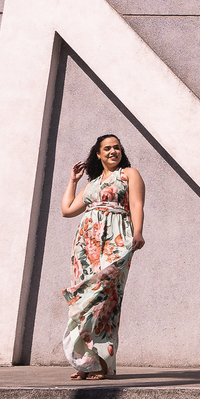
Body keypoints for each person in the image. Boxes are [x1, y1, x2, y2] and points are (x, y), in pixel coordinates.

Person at [60, 134, 145, 380]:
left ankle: (104, 364)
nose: (112, 151)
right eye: (107, 148)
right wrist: (73, 181)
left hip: (116, 239)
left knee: (106, 297)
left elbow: (136, 205)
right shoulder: (93, 184)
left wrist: (138, 232)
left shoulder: (129, 174)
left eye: (117, 147)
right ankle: (86, 363)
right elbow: (67, 210)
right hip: (86, 245)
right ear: (98, 154)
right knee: (86, 301)